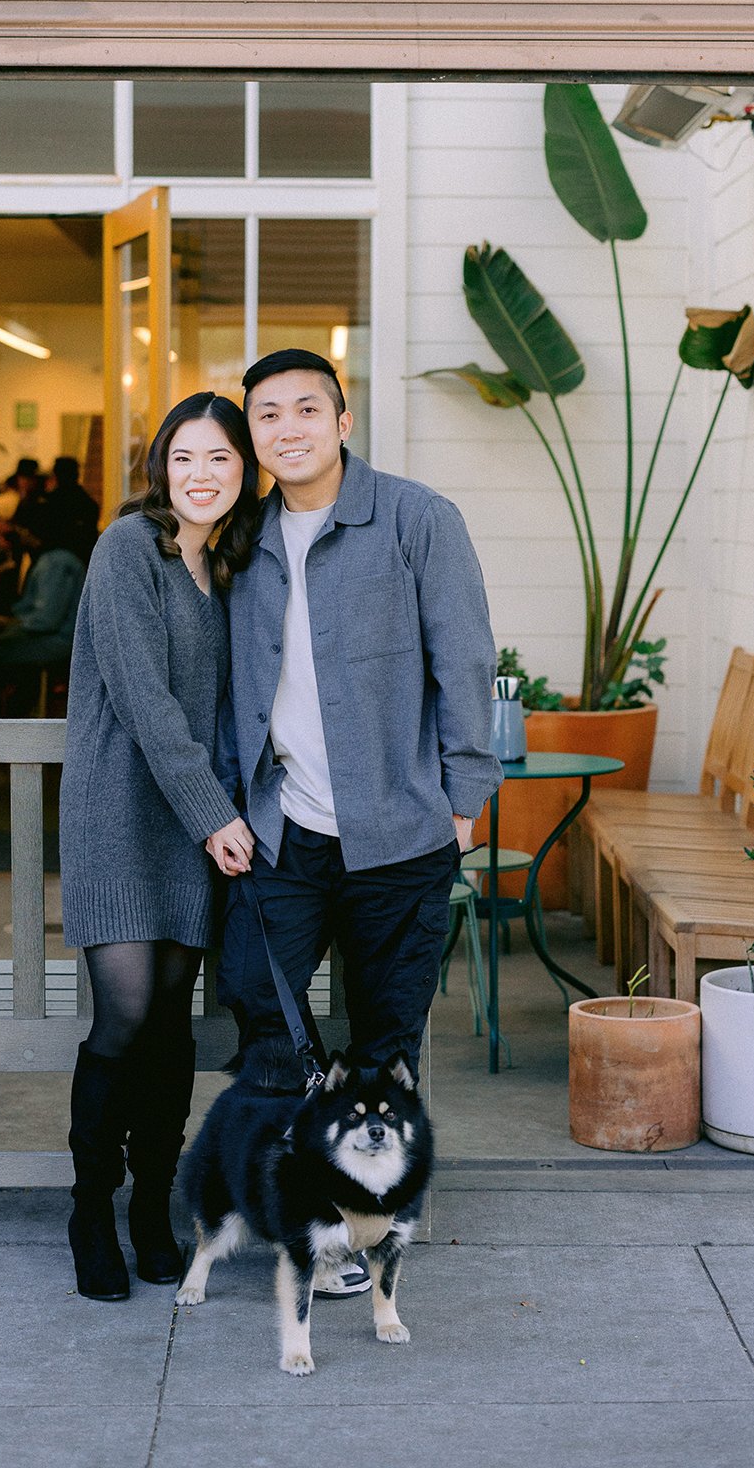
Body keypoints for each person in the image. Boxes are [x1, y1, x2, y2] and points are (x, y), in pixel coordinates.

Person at [218, 347, 502, 1286]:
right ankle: (295, 1209)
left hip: (402, 832)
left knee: (385, 1044)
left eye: (307, 409)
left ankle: (366, 1224)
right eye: (267, 414)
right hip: (284, 834)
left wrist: (465, 804)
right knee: (267, 1019)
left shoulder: (418, 520)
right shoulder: (241, 538)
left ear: (344, 422)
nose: (287, 427)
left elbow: (463, 663)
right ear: (252, 433)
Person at [58, 394, 260, 1302]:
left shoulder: (232, 563)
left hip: (196, 819)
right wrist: (215, 813)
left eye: (219, 458)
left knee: (173, 1020)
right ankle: (90, 1211)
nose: (201, 475)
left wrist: (221, 812)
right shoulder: (124, 549)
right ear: (160, 466)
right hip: (121, 807)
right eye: (184, 457)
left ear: (244, 470)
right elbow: (142, 700)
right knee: (126, 1015)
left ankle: (151, 1210)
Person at [0, 539, 85, 716]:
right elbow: (31, 609)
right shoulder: (49, 560)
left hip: (56, 641)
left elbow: (46, 620)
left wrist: (7, 624)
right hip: (55, 637)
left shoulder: (56, 562)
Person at [35, 454, 100, 563]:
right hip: (83, 562)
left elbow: (42, 537)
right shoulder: (88, 503)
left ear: (56, 476)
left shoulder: (49, 503)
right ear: (77, 475)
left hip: (54, 563)